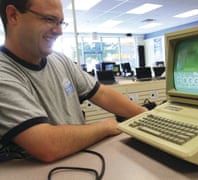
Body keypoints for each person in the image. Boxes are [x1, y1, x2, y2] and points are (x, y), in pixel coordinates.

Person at [0, 0, 146, 162]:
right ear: (13, 16)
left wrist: (146, 116)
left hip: (83, 161)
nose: (59, 31)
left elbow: (102, 93)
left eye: (61, 22)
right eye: (49, 19)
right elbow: (47, 145)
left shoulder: (59, 60)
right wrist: (105, 127)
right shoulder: (3, 71)